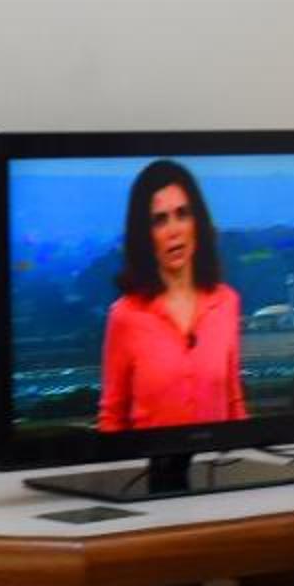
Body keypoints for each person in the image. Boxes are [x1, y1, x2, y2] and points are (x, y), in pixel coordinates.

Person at [97, 159, 248, 432]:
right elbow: (112, 417)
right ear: (144, 234)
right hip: (150, 460)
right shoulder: (125, 317)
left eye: (183, 214)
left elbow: (234, 402)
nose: (174, 230)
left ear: (197, 222)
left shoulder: (227, 302)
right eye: (159, 220)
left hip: (215, 459)